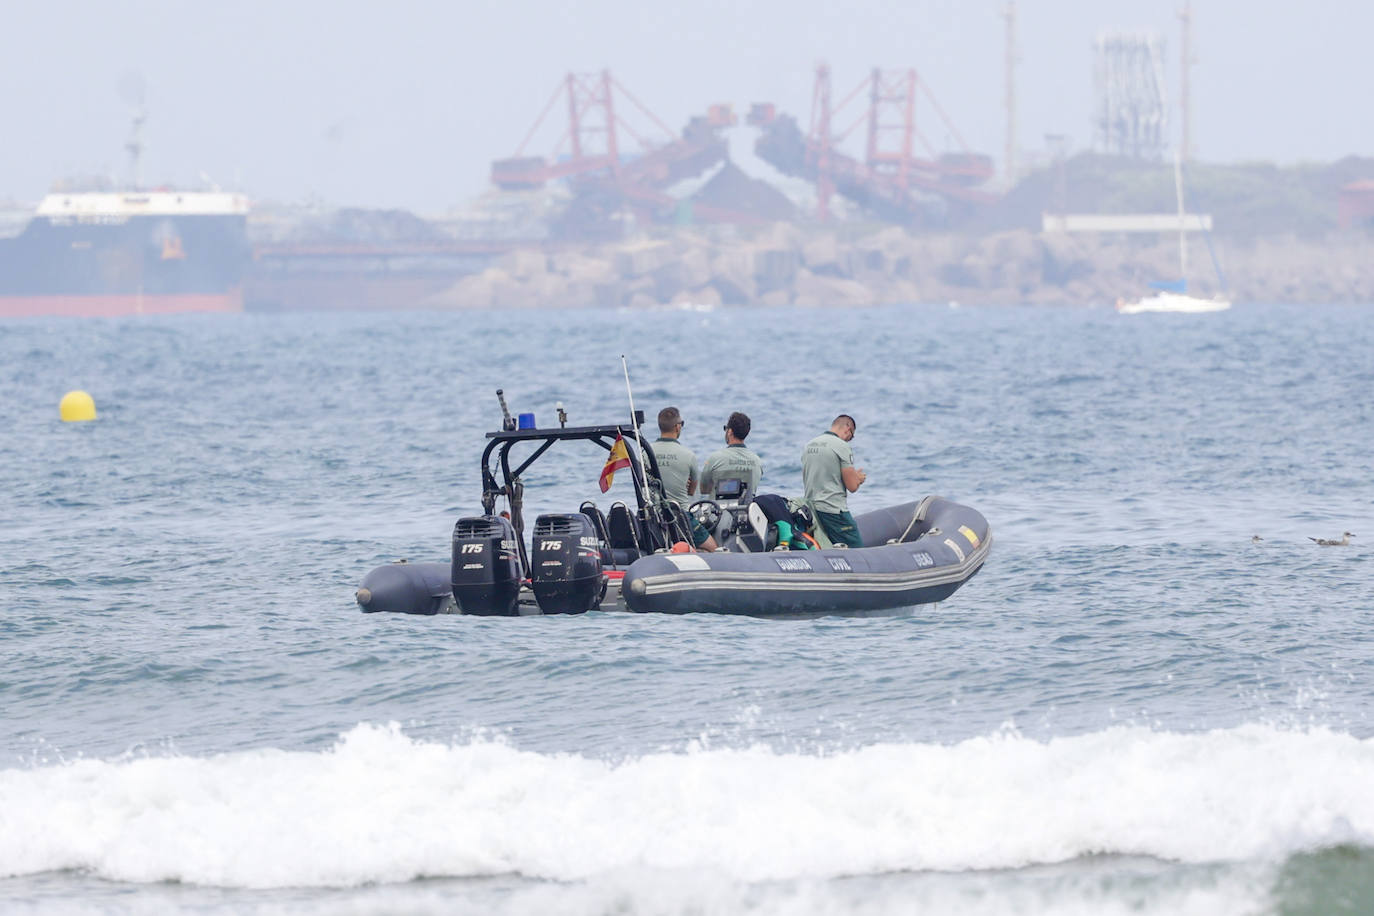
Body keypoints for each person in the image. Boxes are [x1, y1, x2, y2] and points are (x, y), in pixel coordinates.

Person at [648, 406, 716, 551]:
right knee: (714, 548)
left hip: (653, 517)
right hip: (681, 517)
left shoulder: (646, 451)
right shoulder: (688, 455)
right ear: (678, 427)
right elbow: (691, 492)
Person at [801, 414, 866, 548]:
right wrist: (858, 479)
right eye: (851, 437)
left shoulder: (809, 444)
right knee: (857, 550)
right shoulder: (841, 446)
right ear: (848, 429)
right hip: (833, 510)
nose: (849, 440)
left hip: (811, 509)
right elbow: (852, 486)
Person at [699, 411, 764, 499]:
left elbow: (703, 489)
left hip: (717, 510)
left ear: (730, 431)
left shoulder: (715, 458)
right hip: (745, 510)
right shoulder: (757, 461)